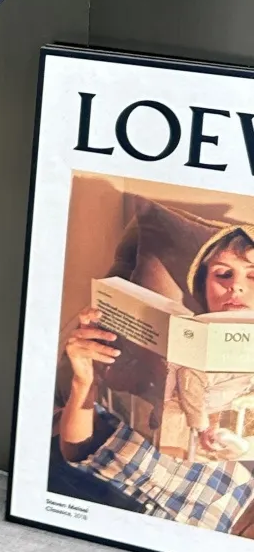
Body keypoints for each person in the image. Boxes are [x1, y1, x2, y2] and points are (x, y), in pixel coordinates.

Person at [57, 228, 254, 532]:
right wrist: (83, 382)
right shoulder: (159, 350)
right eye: (223, 274)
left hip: (189, 525)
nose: (235, 286)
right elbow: (75, 451)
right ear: (203, 287)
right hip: (104, 497)